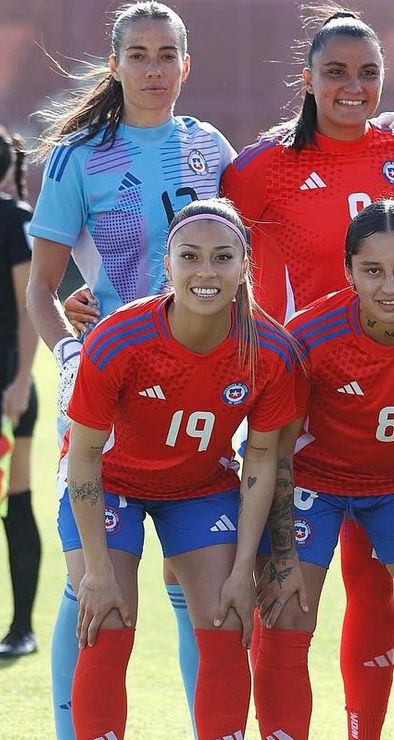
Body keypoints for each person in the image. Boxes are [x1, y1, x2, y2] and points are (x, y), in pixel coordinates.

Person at [25, 4, 235, 735]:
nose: (154, 68)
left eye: (166, 54)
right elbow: (40, 286)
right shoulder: (77, 154)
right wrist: (70, 355)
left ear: (187, 63)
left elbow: (234, 263)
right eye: (139, 54)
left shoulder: (211, 148)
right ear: (115, 64)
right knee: (95, 584)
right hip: (110, 388)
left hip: (204, 388)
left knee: (195, 581)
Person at [218, 12, 394, 735]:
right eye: (336, 71)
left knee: (373, 584)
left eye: (369, 72)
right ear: (306, 79)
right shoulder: (259, 165)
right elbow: (205, 255)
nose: (353, 86)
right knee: (286, 598)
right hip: (297, 396)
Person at [61, 197, 299, 739]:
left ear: (245, 267)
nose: (206, 272)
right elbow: (84, 454)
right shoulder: (121, 338)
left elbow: (261, 457)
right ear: (167, 265)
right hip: (110, 483)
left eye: (222, 257)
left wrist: (243, 570)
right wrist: (97, 572)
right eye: (190, 257)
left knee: (228, 618)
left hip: (197, 487)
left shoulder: (270, 350)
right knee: (108, 620)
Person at [251, 200, 394, 740]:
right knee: (286, 613)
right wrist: (282, 553)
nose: (390, 287)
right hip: (316, 483)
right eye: (372, 270)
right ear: (347, 270)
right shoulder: (309, 334)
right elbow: (277, 451)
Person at [0, 126, 40, 660]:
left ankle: (21, 628)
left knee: (15, 502)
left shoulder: (16, 221)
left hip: (4, 387)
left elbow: (31, 307)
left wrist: (19, 382)